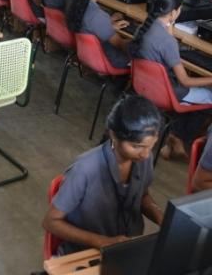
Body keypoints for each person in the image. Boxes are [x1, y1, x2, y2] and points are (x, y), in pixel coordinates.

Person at [42, 95, 164, 256]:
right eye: (137, 146)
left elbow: (142, 195)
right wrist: (102, 242)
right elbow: (51, 222)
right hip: (86, 252)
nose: (146, 154)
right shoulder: (85, 169)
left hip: (127, 246)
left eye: (151, 146)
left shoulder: (143, 158)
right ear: (113, 135)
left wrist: (161, 217)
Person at [129, 0, 212, 159]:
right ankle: (178, 138)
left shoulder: (144, 29)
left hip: (147, 87)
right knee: (209, 95)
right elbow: (185, 81)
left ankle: (174, 138)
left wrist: (170, 27)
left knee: (194, 94)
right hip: (168, 93)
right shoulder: (167, 42)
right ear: (174, 12)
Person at [66, 0, 130, 68]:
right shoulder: (98, 16)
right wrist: (139, 38)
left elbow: (91, 26)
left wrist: (109, 25)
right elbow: (119, 44)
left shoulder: (77, 5)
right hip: (108, 59)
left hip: (88, 56)